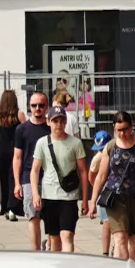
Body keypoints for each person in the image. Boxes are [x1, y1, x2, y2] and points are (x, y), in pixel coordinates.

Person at [87, 111, 135, 262]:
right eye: (118, 130)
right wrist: (93, 201)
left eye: (125, 129)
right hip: (116, 199)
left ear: (131, 127)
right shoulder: (110, 147)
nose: (122, 133)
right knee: (120, 238)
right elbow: (101, 176)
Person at [30, 106, 88, 253]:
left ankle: (69, 264)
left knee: (67, 235)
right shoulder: (42, 143)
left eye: (62, 121)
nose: (59, 124)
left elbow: (83, 171)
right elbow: (35, 170)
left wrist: (86, 199)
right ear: (48, 122)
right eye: (55, 121)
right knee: (54, 238)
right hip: (49, 195)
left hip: (69, 196)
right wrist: (35, 194)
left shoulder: (76, 143)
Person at [11, 90, 52, 251]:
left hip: (50, 177)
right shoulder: (22, 129)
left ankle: (50, 245)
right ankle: (35, 251)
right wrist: (17, 183)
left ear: (47, 107)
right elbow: (17, 157)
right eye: (34, 105)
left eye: (41, 105)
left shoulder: (51, 127)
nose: (37, 109)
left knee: (50, 217)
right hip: (29, 177)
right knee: (33, 217)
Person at [0, 89, 21, 221]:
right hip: (14, 150)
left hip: (0, 149)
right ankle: (12, 208)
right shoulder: (19, 114)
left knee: (3, 180)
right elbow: (24, 130)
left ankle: (4, 207)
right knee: (14, 180)